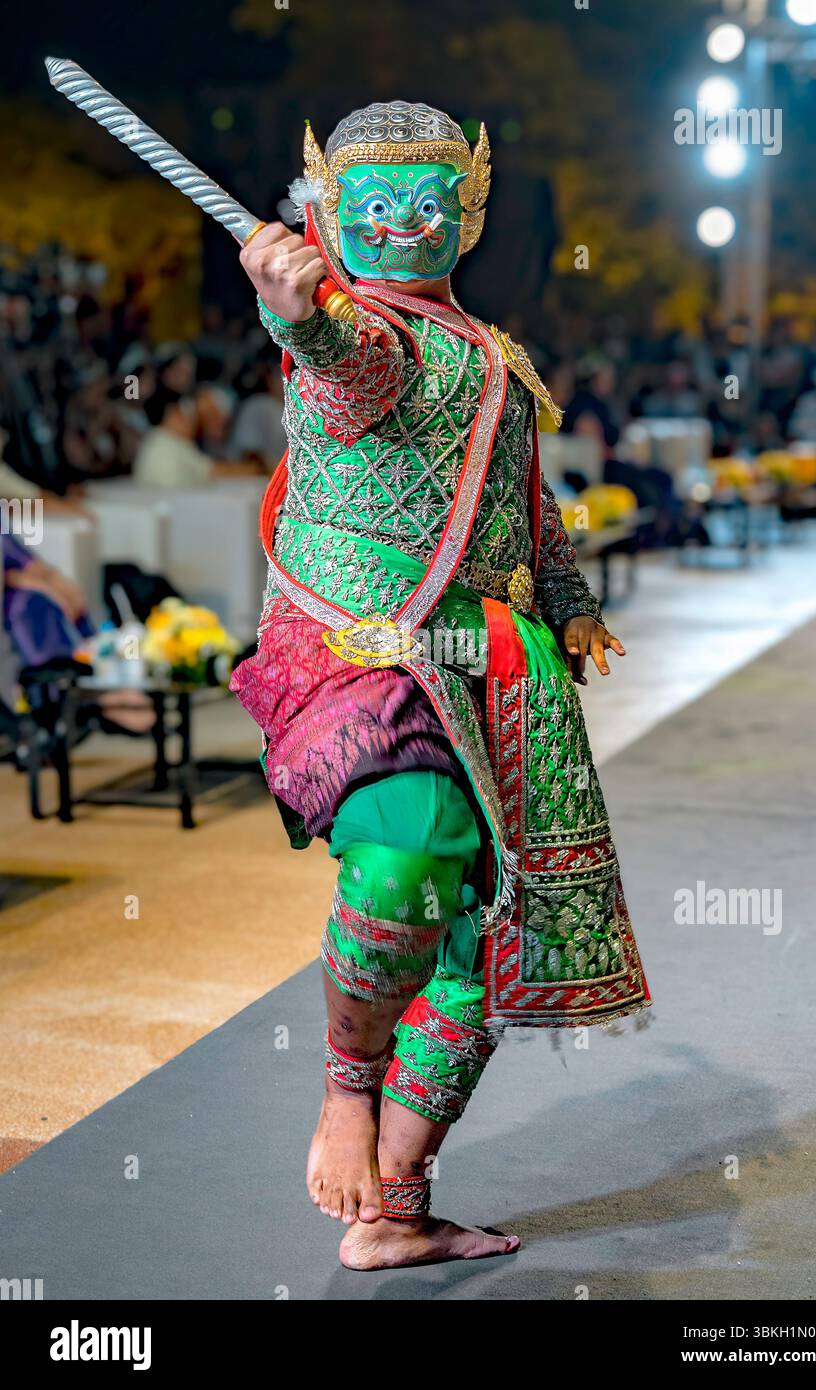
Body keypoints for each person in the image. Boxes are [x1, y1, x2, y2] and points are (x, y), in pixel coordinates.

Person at [230, 102, 651, 1271]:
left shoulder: (493, 353)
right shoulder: (352, 327)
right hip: (356, 644)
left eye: (427, 206)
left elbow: (524, 496)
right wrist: (291, 307)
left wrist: (564, 600)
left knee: (478, 941)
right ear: (323, 218)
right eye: (369, 208)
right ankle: (344, 1089)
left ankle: (395, 1208)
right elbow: (344, 376)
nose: (400, 227)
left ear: (464, 215)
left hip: (491, 658)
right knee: (407, 849)